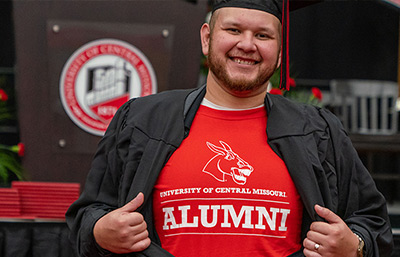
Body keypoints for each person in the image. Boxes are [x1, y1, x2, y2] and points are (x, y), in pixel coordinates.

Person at [66, 0, 393, 256]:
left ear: (280, 52)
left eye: (263, 35)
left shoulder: (318, 133)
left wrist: (356, 247)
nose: (247, 45)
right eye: (234, 30)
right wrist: (100, 230)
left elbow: (372, 221)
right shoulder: (142, 122)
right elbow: (88, 214)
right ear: (207, 38)